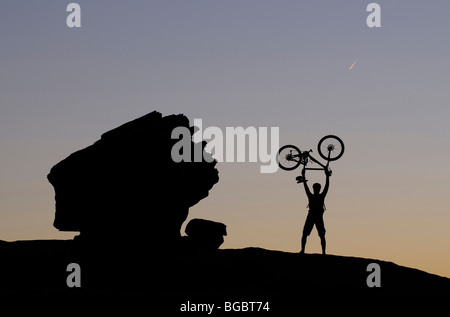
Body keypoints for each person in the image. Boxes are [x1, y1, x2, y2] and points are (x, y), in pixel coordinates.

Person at [299, 167, 330, 255]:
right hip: (313, 216)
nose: (315, 189)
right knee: (306, 233)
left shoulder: (319, 196)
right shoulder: (315, 196)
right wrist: (327, 176)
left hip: (315, 216)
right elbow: (306, 186)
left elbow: (326, 186)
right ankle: (304, 250)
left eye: (316, 188)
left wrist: (327, 176)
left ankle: (323, 252)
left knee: (320, 235)